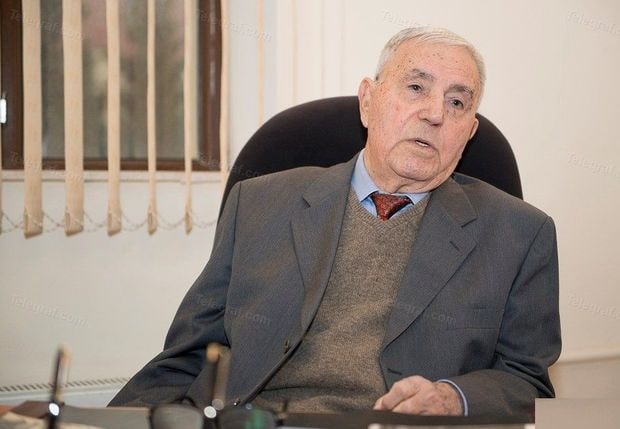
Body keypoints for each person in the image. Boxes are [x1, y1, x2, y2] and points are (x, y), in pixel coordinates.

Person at [110, 27, 561, 418]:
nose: (435, 113)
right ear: (368, 101)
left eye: (457, 101)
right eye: (416, 88)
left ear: (469, 131)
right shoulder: (259, 203)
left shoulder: (520, 234)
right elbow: (188, 357)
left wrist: (452, 398)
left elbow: (527, 381)